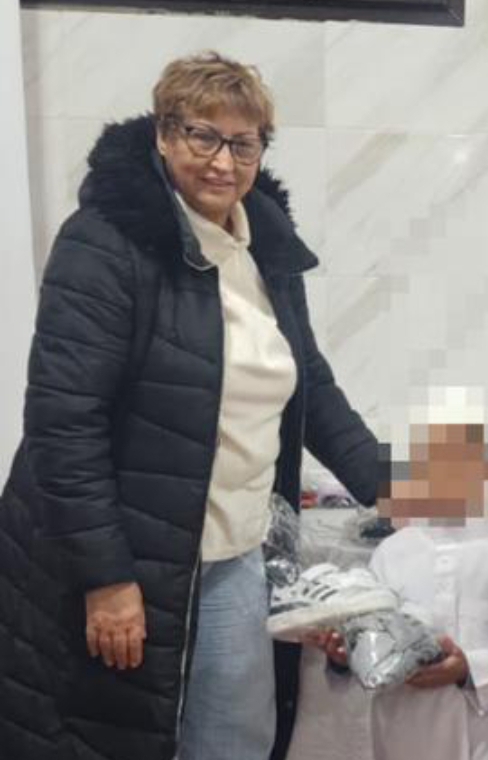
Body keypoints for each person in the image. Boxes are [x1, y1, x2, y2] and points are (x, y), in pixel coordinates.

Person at [0, 52, 384, 760]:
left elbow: (309, 382)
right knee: (112, 738)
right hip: (123, 555)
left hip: (231, 550)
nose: (222, 162)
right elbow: (64, 423)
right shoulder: (105, 243)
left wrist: (396, 487)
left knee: (235, 740)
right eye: (202, 136)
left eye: (243, 143)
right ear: (163, 133)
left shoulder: (265, 244)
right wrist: (107, 579)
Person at [316, 386, 488, 760]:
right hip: (403, 733)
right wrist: (343, 657)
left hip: (481, 735)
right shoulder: (391, 553)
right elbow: (365, 636)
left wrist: (469, 668)